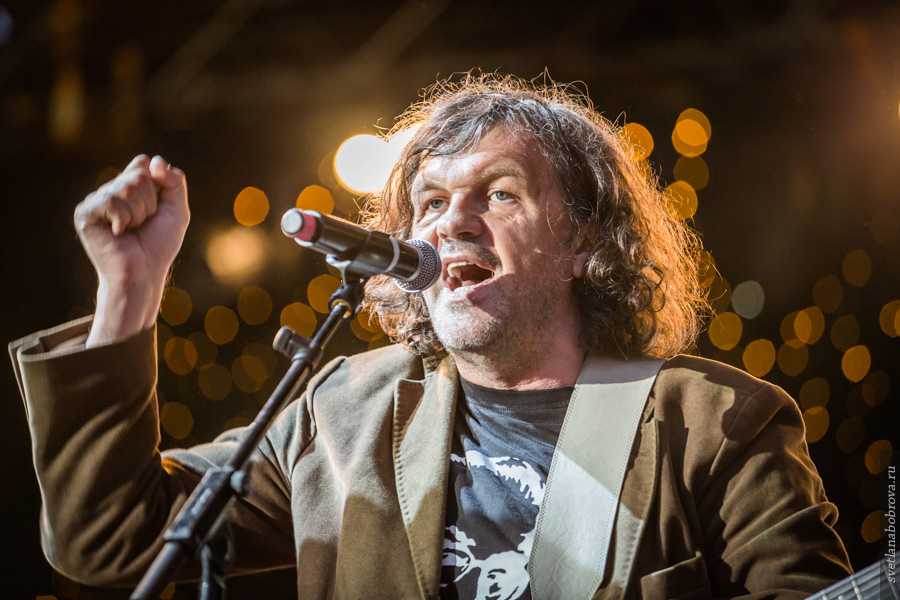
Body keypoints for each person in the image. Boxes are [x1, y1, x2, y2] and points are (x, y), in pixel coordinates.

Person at [11, 74, 853, 599]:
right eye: (431, 202)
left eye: (500, 194)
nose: (451, 222)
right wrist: (129, 290)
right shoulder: (343, 414)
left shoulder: (715, 424)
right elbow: (108, 541)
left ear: (586, 241)